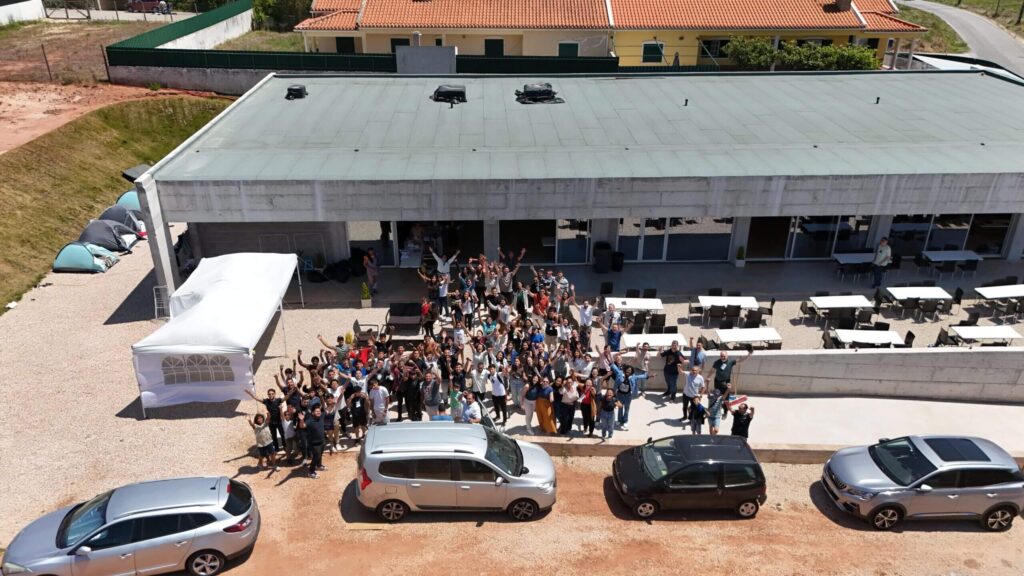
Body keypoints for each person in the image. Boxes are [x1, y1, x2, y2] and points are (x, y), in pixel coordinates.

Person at [708, 349, 752, 419]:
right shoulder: (717, 362)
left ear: (727, 356)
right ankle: (716, 409)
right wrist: (708, 377)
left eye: (724, 356)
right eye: (721, 356)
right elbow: (712, 370)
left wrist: (748, 355)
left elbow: (740, 361)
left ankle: (725, 412)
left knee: (726, 399)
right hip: (717, 382)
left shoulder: (731, 362)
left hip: (726, 382)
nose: (723, 357)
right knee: (717, 397)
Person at [245, 387, 285, 452]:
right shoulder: (266, 401)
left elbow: (285, 398)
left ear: (275, 394)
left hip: (279, 421)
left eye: (272, 393)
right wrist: (250, 394)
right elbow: (257, 398)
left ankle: (285, 446)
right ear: (268, 395)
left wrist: (292, 391)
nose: (271, 395)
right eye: (269, 394)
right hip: (271, 422)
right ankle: (276, 448)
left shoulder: (278, 400)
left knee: (282, 434)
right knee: (273, 436)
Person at [298, 406, 327, 479]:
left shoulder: (322, 417)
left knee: (320, 454)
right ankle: (311, 472)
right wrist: (301, 420)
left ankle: (319, 465)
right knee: (315, 457)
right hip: (314, 444)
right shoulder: (309, 421)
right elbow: (302, 426)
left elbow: (328, 408)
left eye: (319, 411)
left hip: (322, 441)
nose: (318, 412)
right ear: (312, 413)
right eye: (316, 411)